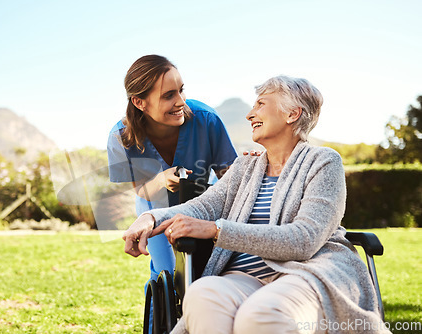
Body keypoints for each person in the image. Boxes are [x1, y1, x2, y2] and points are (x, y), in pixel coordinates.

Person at [122, 75, 390, 334]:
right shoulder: (246, 166)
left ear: (292, 114)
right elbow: (202, 207)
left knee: (261, 315)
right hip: (243, 276)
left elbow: (304, 240)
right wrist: (152, 218)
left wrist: (216, 231)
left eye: (261, 104)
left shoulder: (323, 162)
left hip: (305, 272)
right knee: (202, 297)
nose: (250, 114)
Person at [107, 55, 237, 296]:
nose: (181, 102)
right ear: (139, 102)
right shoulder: (120, 137)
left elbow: (230, 179)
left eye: (181, 90)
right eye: (168, 95)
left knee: (208, 271)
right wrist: (160, 180)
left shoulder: (206, 120)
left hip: (203, 204)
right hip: (152, 206)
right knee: (166, 276)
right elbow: (140, 190)